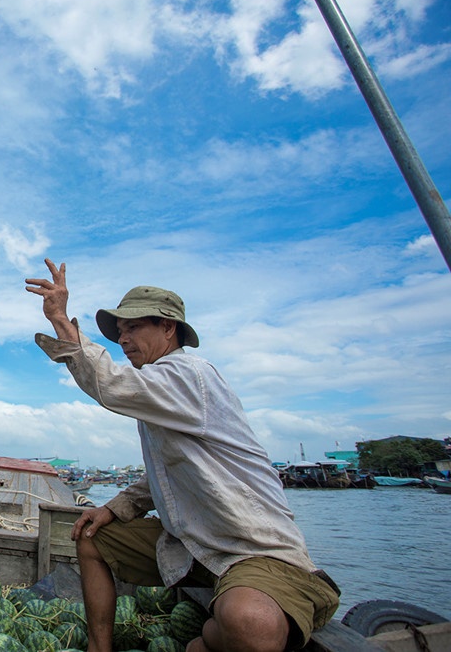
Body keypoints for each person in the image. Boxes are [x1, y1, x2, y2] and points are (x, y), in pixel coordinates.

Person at [25, 259, 340, 652]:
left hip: (251, 549)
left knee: (249, 622)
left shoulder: (189, 375)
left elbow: (113, 383)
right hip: (193, 543)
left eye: (134, 328)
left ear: (168, 328)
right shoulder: (159, 393)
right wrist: (117, 506)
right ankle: (99, 647)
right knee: (92, 537)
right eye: (120, 332)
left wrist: (61, 322)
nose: (123, 340)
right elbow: (169, 473)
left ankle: (213, 636)